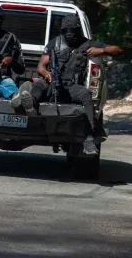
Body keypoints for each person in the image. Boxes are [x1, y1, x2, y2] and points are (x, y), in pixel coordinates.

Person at [10, 14, 123, 155]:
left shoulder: (88, 44)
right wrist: (47, 74)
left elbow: (118, 50)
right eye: (66, 31)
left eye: (72, 31)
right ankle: (30, 105)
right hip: (53, 82)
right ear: (62, 30)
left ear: (78, 30)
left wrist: (102, 50)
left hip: (71, 87)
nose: (69, 34)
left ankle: (89, 137)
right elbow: (40, 67)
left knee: (86, 94)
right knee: (38, 85)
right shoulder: (54, 43)